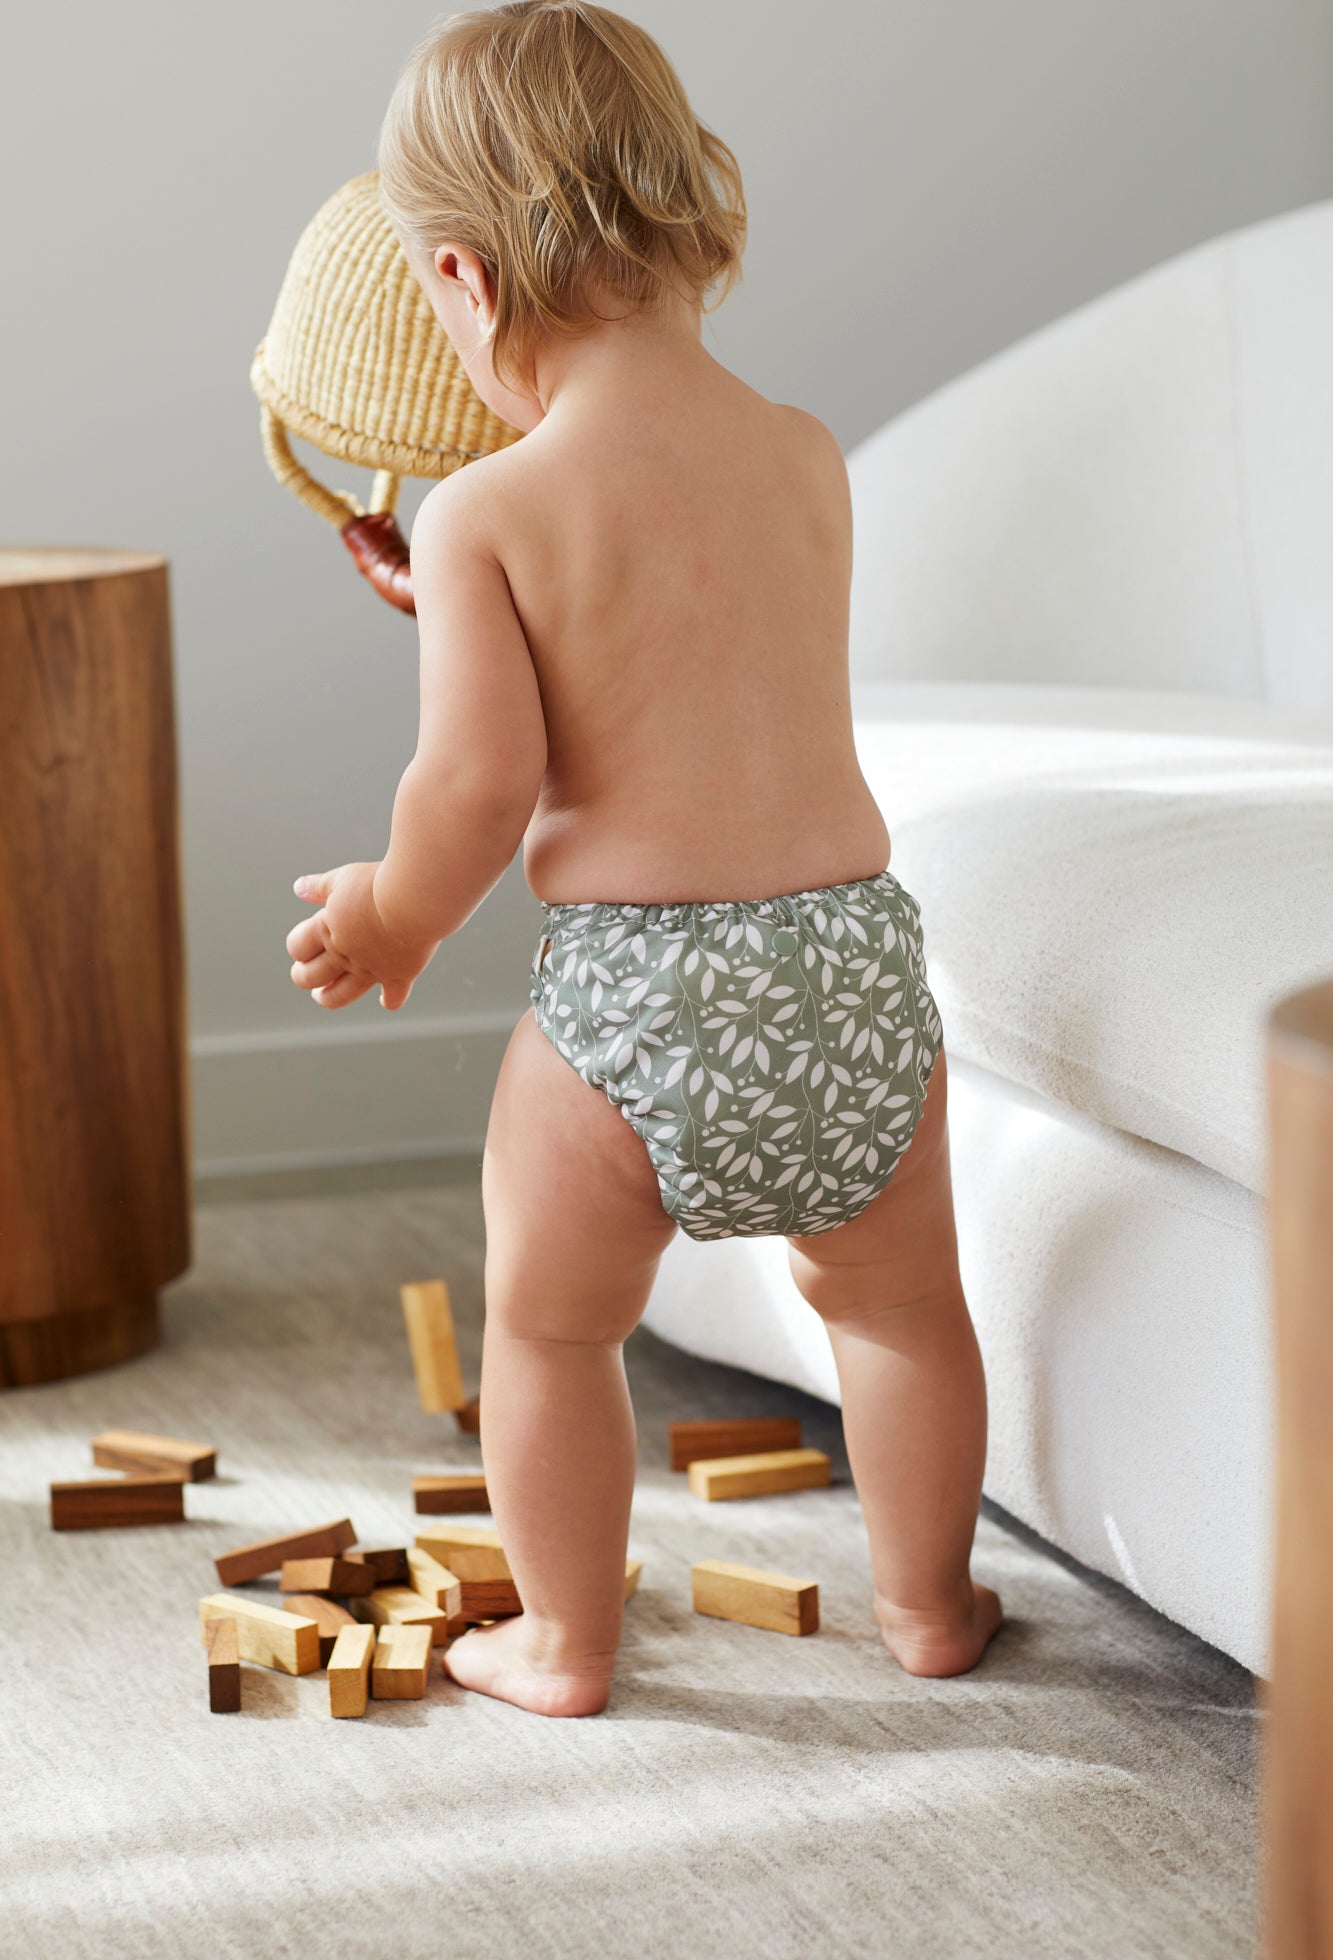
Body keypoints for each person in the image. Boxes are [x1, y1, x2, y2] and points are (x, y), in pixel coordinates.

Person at [285, 0, 1001, 1715]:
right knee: (902, 1313)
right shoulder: (801, 452)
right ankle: (927, 1605)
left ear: (456, 282)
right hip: (844, 974)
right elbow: (698, 660)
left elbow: (477, 776)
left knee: (549, 1328)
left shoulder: (483, 512)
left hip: (642, 1005)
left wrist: (393, 911)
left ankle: (566, 1642)